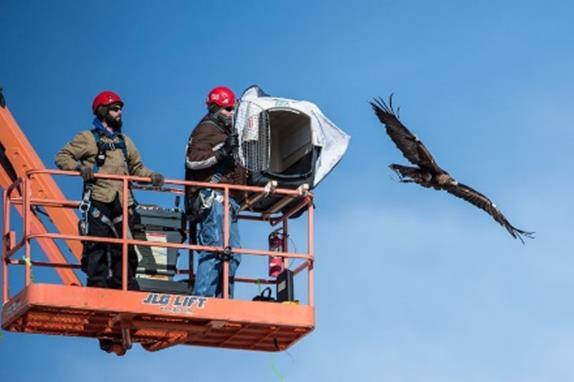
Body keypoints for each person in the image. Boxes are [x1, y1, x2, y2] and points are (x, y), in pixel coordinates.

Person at [55, 90, 164, 355]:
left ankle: (128, 307)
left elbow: (137, 169)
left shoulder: (125, 142)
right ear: (103, 112)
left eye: (120, 109)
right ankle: (100, 310)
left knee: (126, 256)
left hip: (123, 203)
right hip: (100, 203)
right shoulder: (88, 139)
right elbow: (62, 158)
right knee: (97, 256)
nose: (119, 114)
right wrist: (82, 169)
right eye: (114, 109)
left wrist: (152, 177)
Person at [185, 86, 247, 298]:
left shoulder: (227, 132)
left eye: (233, 109)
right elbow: (193, 161)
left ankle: (223, 300)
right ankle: (204, 300)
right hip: (214, 200)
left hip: (230, 202)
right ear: (215, 108)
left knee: (233, 255)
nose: (231, 113)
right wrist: (221, 152)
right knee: (216, 251)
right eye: (227, 109)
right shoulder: (206, 129)